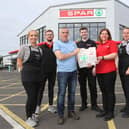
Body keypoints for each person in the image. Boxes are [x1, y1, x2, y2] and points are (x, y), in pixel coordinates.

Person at [53, 27, 80, 125]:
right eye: (63, 32)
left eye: (66, 32)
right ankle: (60, 115)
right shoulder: (57, 43)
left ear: (68, 33)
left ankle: (71, 111)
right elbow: (60, 57)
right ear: (60, 34)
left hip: (73, 72)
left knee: (72, 94)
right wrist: (73, 53)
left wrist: (85, 62)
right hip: (62, 72)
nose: (65, 34)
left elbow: (77, 57)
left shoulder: (73, 43)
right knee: (61, 94)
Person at [17, 30, 43, 127]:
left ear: (38, 37)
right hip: (28, 77)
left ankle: (32, 115)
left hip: (38, 77)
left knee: (36, 98)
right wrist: (21, 69)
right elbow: (19, 59)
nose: (33, 37)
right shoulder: (24, 48)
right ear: (28, 37)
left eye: (35, 36)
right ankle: (28, 117)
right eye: (31, 35)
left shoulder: (40, 49)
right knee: (31, 96)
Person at [76, 27, 101, 112]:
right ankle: (84, 104)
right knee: (82, 87)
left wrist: (94, 66)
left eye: (85, 32)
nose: (84, 33)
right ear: (80, 34)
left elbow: (95, 55)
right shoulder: (77, 44)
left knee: (93, 87)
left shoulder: (93, 43)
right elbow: (76, 57)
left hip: (91, 69)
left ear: (88, 33)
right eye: (82, 32)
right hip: (81, 69)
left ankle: (94, 105)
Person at [95, 28, 118, 121]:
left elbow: (114, 55)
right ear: (100, 35)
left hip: (109, 72)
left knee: (109, 92)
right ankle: (105, 110)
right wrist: (93, 67)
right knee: (104, 92)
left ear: (108, 35)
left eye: (106, 34)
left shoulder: (112, 43)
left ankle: (110, 112)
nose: (104, 35)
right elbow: (95, 59)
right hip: (99, 72)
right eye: (102, 34)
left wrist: (102, 57)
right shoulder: (99, 45)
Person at [35, 30, 57, 115]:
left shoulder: (56, 45)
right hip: (42, 72)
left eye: (51, 34)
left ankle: (51, 106)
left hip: (53, 71)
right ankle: (37, 107)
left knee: (51, 89)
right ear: (45, 36)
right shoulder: (40, 46)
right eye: (48, 35)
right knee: (40, 90)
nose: (49, 36)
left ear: (53, 36)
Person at [118, 27, 129, 118]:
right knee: (125, 90)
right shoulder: (122, 44)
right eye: (124, 33)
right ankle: (127, 106)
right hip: (122, 70)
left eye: (127, 33)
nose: (125, 34)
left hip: (128, 71)